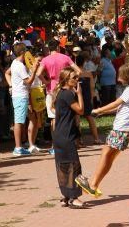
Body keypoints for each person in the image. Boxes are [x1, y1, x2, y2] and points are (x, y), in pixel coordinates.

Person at [75, 64, 129, 197]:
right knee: (109, 157)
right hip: (125, 130)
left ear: (126, 76)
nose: (118, 76)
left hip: (121, 129)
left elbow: (117, 103)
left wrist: (99, 109)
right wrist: (105, 113)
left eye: (120, 74)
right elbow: (121, 107)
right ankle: (95, 183)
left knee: (106, 154)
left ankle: (92, 184)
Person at [52, 68, 86, 208]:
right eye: (74, 77)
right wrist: (80, 94)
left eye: (77, 77)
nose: (77, 80)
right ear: (66, 79)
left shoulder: (60, 93)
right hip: (65, 136)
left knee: (63, 166)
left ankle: (65, 196)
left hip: (59, 135)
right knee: (74, 166)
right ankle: (74, 197)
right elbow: (81, 110)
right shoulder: (67, 94)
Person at [38, 39, 80, 154]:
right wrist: (72, 80)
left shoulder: (46, 60)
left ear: (48, 48)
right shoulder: (65, 58)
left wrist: (46, 81)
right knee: (70, 116)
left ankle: (54, 145)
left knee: (53, 118)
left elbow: (38, 73)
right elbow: (78, 71)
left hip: (52, 89)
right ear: (57, 47)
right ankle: (73, 141)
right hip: (66, 88)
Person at [5, 43, 40, 156]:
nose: (27, 53)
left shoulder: (15, 62)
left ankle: (30, 144)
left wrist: (11, 85)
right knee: (19, 122)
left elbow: (7, 73)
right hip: (21, 96)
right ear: (22, 53)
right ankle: (18, 147)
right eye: (25, 51)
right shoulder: (19, 66)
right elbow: (28, 81)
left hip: (20, 95)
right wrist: (34, 70)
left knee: (32, 118)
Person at [75, 54, 101, 145]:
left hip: (76, 97)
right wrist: (92, 99)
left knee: (77, 118)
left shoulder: (74, 73)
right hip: (86, 97)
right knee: (90, 118)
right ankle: (96, 138)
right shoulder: (88, 73)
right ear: (84, 62)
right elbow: (92, 87)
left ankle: (79, 140)